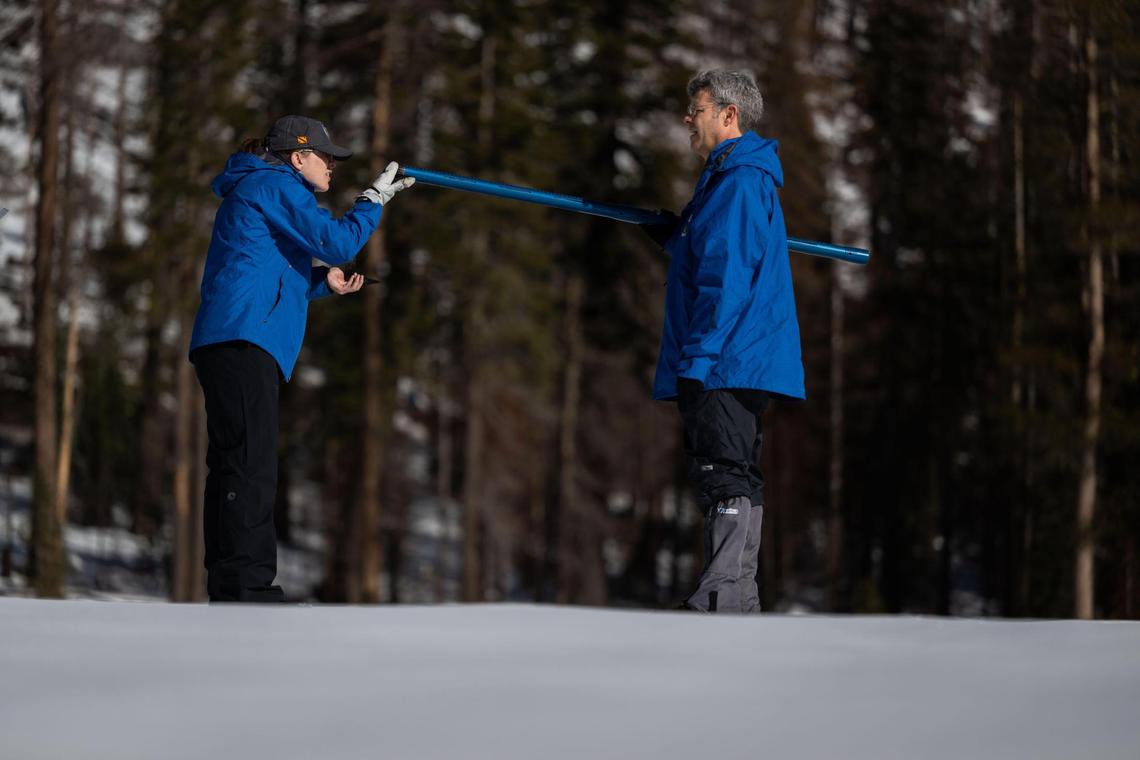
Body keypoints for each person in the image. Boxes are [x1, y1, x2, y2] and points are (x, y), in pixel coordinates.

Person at [189, 115, 414, 602]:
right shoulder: (274, 185)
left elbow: (264, 270)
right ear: (297, 156)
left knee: (235, 463)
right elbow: (337, 242)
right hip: (244, 340)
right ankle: (246, 586)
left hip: (232, 338)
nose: (333, 165)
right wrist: (372, 203)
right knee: (250, 465)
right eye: (325, 156)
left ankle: (231, 580)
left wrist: (322, 283)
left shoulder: (258, 188)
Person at [646, 70, 805, 613]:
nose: (688, 119)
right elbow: (718, 253)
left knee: (723, 476)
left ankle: (722, 602)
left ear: (728, 114)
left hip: (726, 358)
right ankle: (737, 600)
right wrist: (676, 234)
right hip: (737, 357)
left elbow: (728, 276)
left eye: (697, 109)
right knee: (732, 473)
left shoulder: (737, 180)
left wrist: (699, 358)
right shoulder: (730, 178)